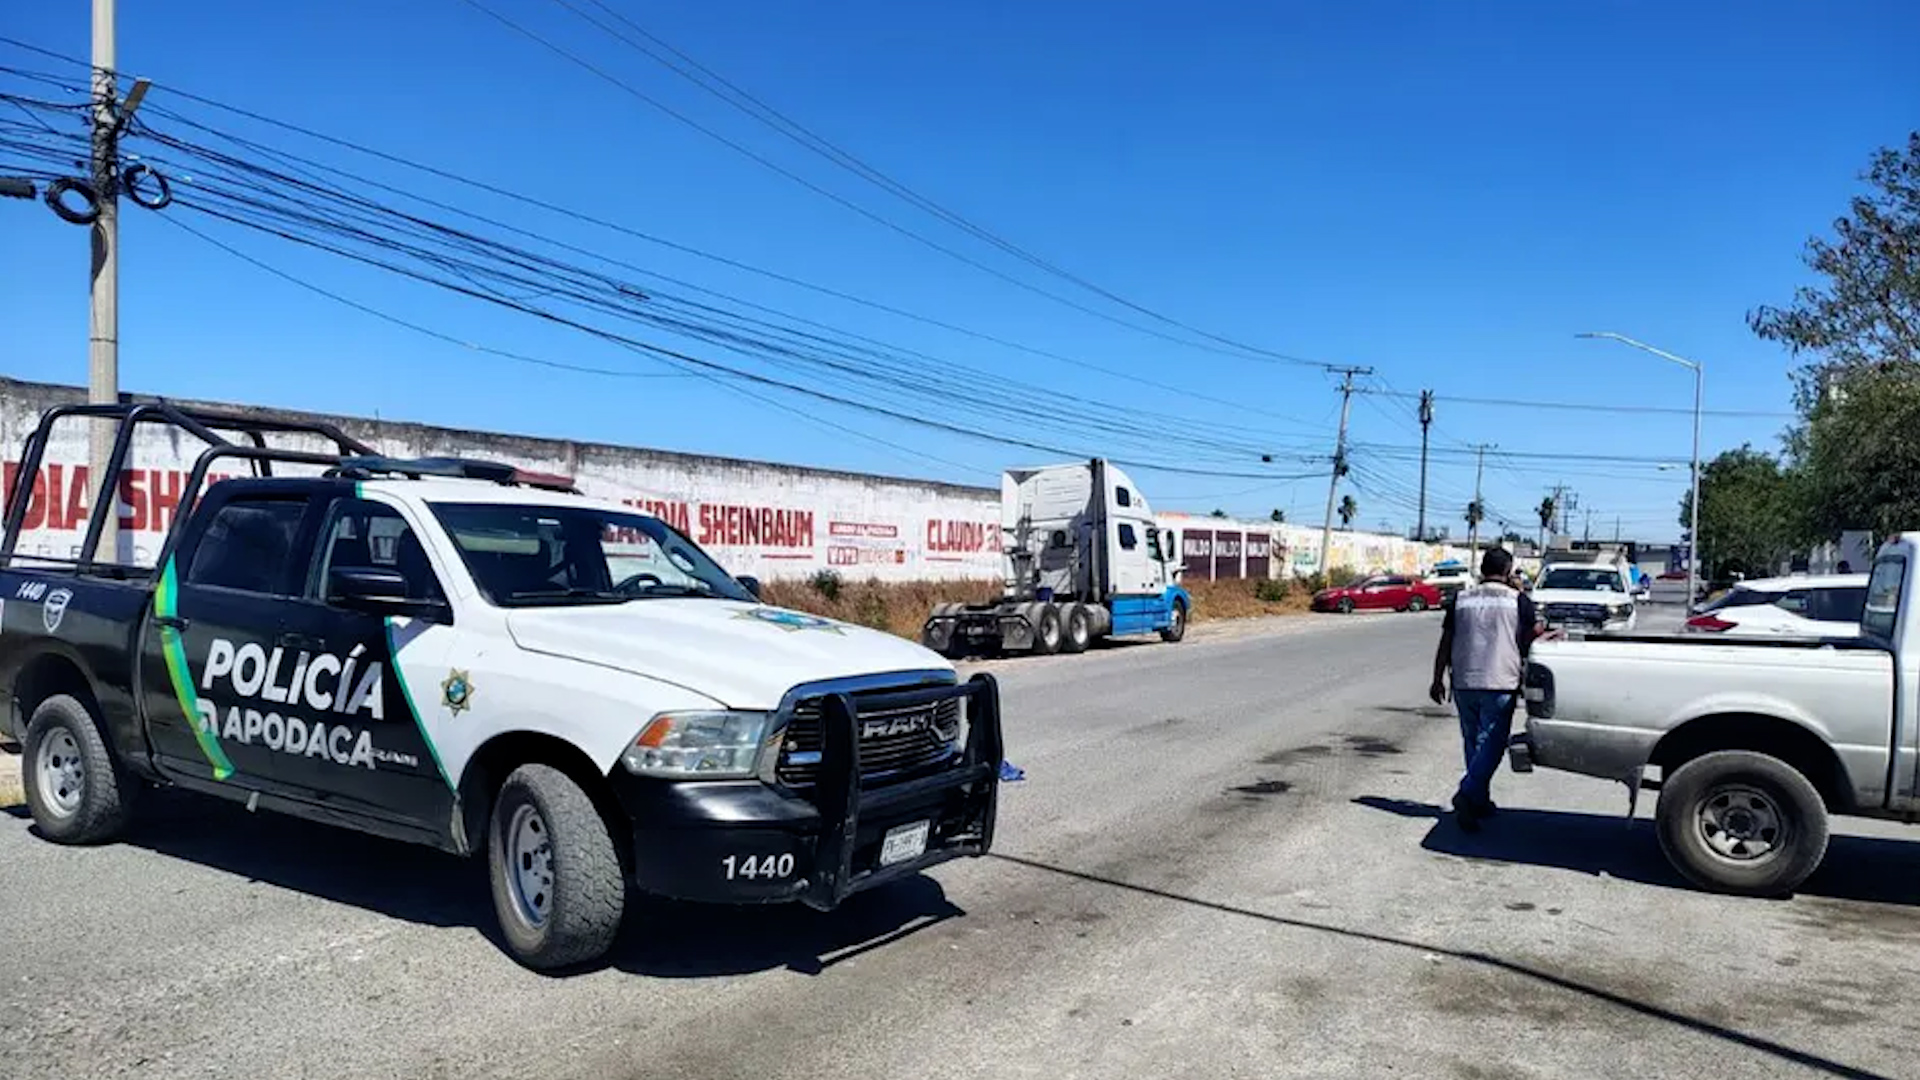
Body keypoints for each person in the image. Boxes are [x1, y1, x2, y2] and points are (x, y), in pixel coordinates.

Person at [1428, 546, 1550, 831]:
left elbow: (1446, 641)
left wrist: (1437, 678)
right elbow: (1531, 635)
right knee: (1492, 746)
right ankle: (1467, 794)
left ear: (1482, 569)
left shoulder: (1461, 599)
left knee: (1473, 743)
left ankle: (1479, 800)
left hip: (1464, 681)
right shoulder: (1517, 600)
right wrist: (1547, 633)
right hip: (1499, 681)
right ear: (1508, 572)